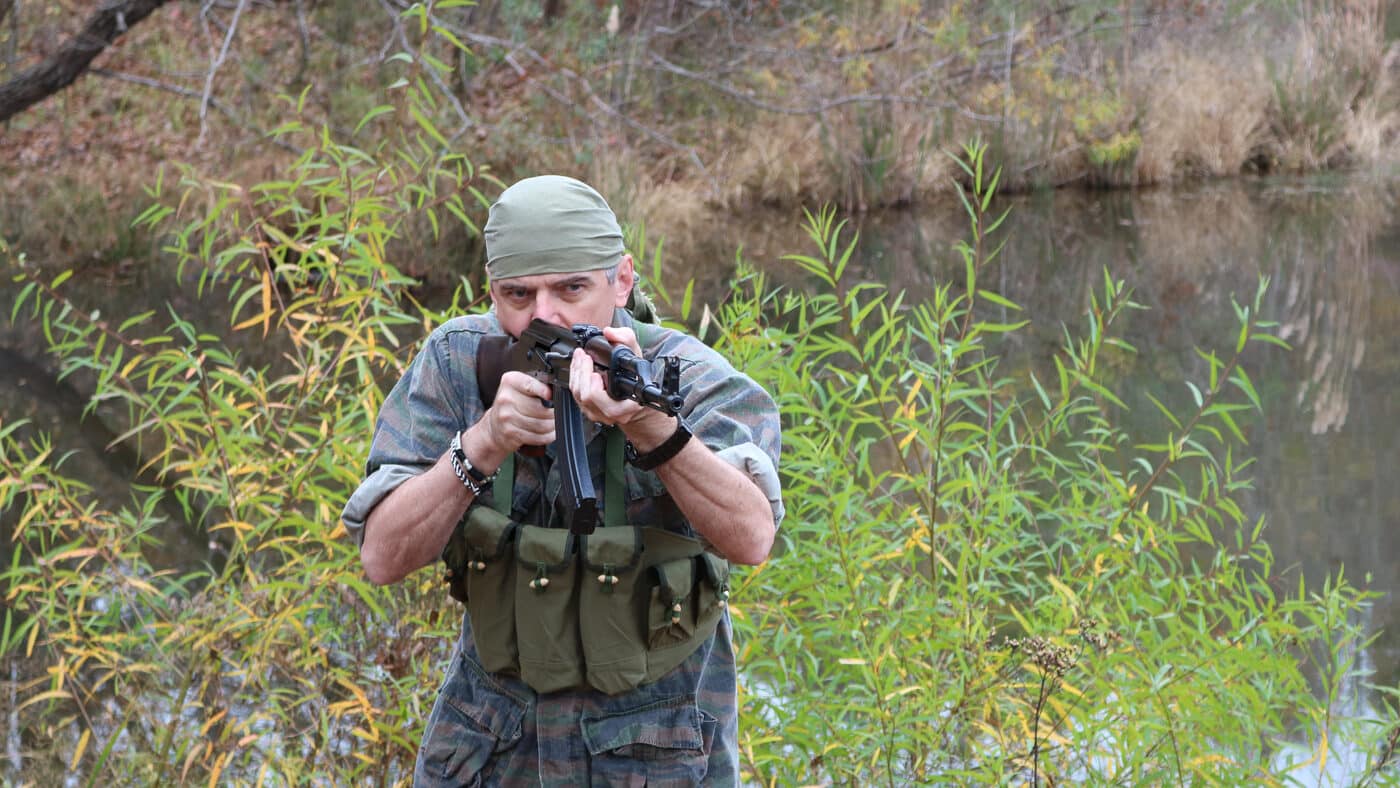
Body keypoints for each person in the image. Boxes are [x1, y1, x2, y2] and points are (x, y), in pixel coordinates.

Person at [341, 174, 784, 785]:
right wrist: (484, 442)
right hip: (489, 743)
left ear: (621, 280)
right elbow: (383, 556)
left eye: (571, 288)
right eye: (518, 294)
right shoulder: (457, 364)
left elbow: (752, 536)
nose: (544, 316)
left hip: (657, 747)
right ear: (490, 293)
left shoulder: (690, 376)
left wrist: (656, 433)